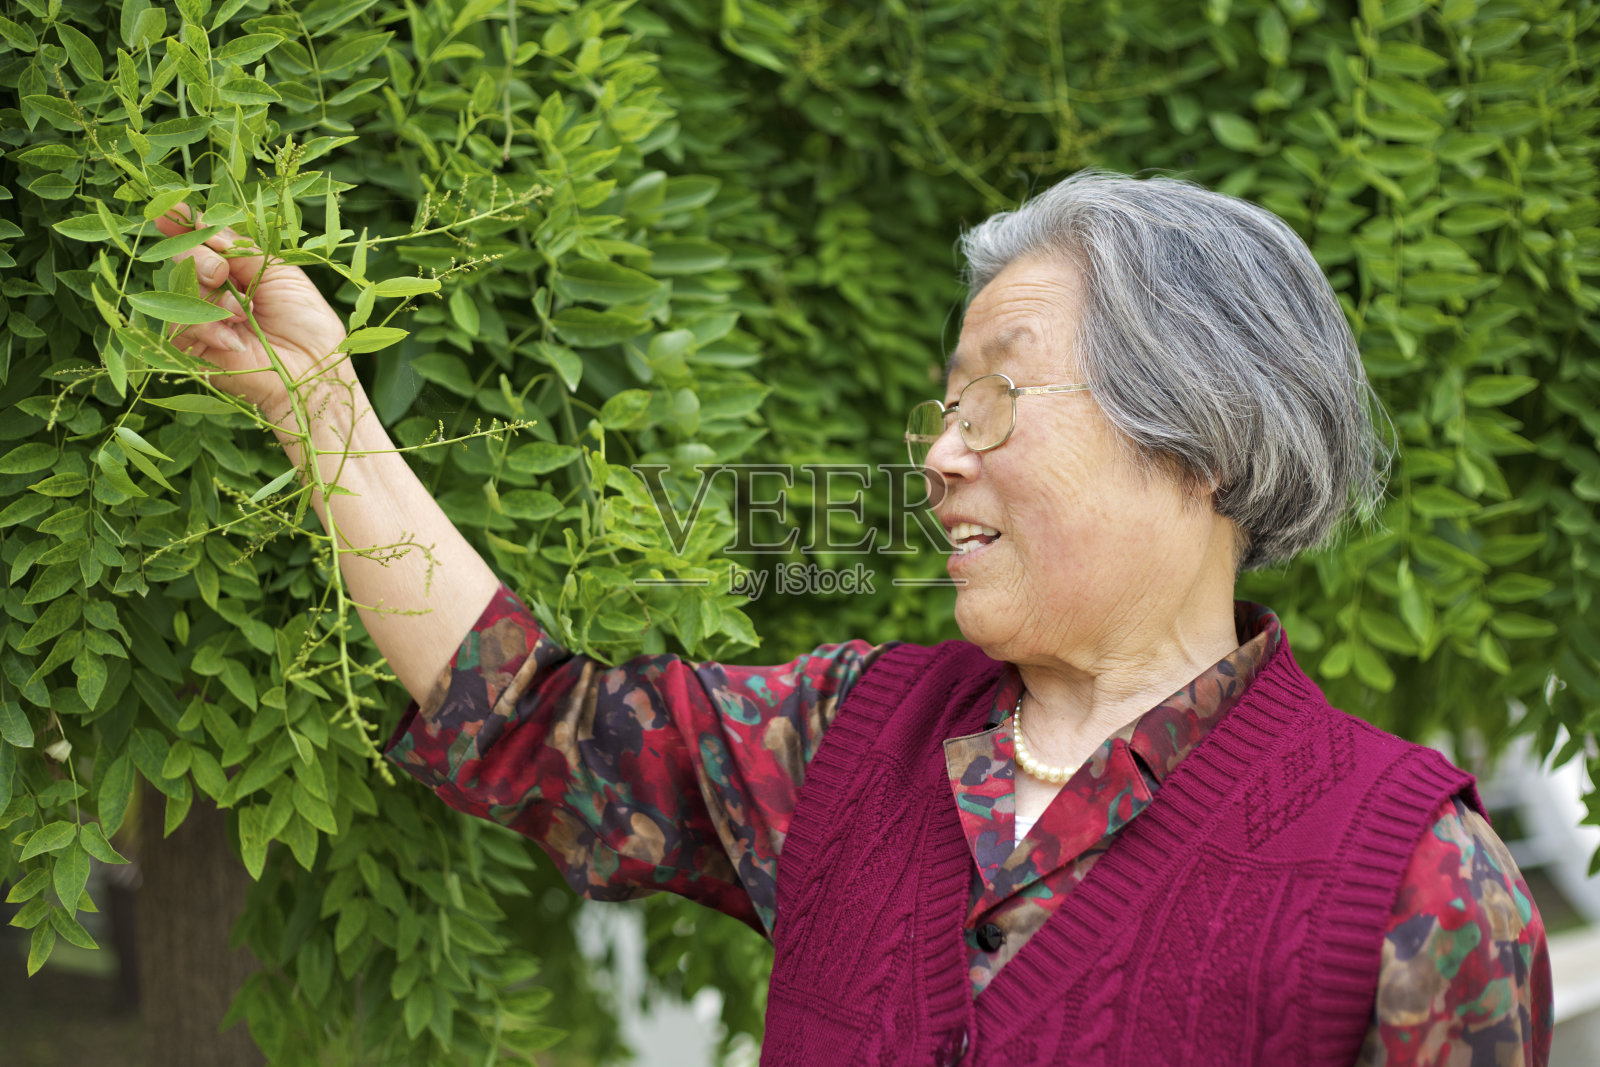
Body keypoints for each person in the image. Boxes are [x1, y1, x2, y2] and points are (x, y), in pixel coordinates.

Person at [157, 171, 1552, 1066]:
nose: (939, 455)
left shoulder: (1416, 888)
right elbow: (529, 720)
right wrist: (321, 406)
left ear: (1201, 442)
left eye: (996, 398)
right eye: (945, 404)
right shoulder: (847, 737)